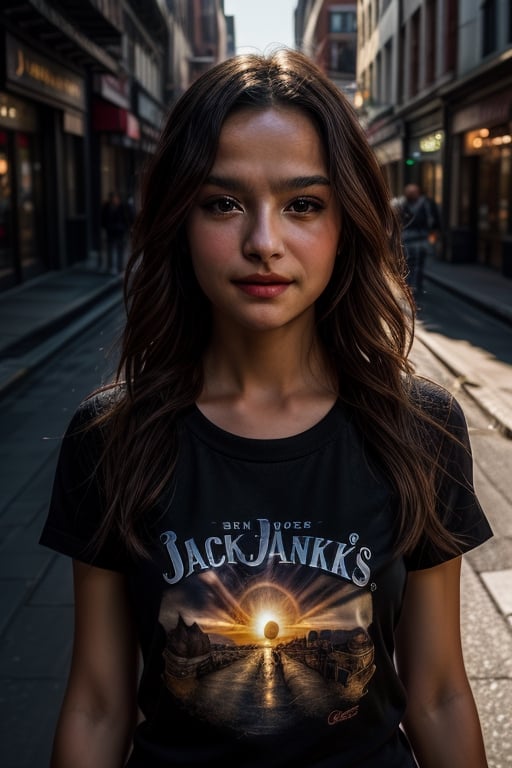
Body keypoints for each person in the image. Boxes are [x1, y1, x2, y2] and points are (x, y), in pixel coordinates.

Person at [40, 50, 492, 768]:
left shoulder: (420, 426)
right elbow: (98, 703)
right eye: (223, 203)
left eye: (303, 205)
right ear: (179, 220)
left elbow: (437, 691)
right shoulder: (110, 436)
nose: (263, 243)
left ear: (348, 222)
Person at [397, 183, 441, 298]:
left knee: (419, 263)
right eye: (409, 192)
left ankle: (416, 286)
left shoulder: (426, 204)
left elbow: (435, 220)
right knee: (407, 263)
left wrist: (433, 237)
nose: (411, 194)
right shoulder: (401, 204)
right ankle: (409, 286)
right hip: (406, 238)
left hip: (421, 238)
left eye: (413, 192)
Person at [100, 191, 134, 274]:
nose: (114, 200)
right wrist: (106, 227)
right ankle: (110, 266)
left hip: (120, 231)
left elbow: (129, 217)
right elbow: (103, 218)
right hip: (110, 231)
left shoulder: (123, 207)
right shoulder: (107, 207)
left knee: (120, 249)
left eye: (115, 198)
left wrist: (126, 227)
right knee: (110, 249)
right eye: (112, 198)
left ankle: (119, 267)